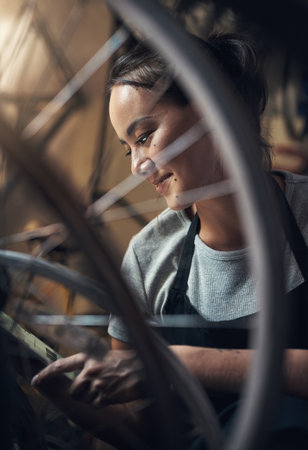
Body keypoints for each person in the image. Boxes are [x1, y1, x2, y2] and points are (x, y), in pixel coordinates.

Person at [32, 32, 308, 448]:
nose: (139, 167)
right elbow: (153, 434)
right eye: (128, 149)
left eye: (144, 136)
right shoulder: (147, 259)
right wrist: (70, 400)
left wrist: (182, 361)